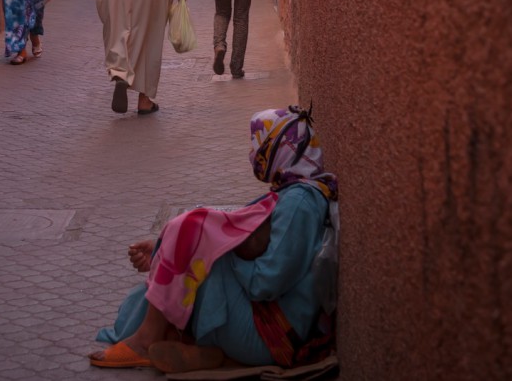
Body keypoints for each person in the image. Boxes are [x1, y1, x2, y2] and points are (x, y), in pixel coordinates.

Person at [89, 105, 338, 374]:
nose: (254, 155)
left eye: (259, 145)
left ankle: (151, 340)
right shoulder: (292, 193)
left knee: (192, 238)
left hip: (272, 335)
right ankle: (199, 349)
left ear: (281, 147)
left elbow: (266, 283)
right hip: (262, 322)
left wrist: (211, 253)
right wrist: (166, 253)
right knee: (147, 296)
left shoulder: (300, 201)